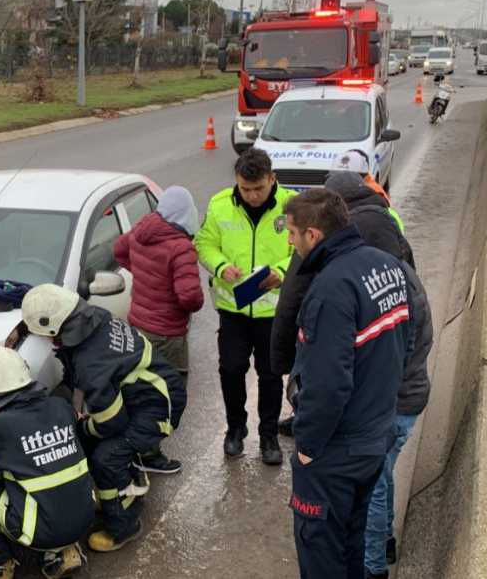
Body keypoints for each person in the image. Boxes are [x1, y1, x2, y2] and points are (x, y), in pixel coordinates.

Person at [284, 189, 414, 579]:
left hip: (336, 451)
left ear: (313, 235)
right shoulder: (387, 266)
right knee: (352, 545)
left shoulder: (330, 289)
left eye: (292, 233)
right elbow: (404, 346)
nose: (289, 242)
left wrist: (306, 446)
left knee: (321, 552)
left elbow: (328, 384)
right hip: (376, 434)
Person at [20, 284, 187, 552]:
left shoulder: (91, 361)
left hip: (158, 406)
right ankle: (121, 484)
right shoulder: (93, 319)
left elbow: (112, 422)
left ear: (55, 328)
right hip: (148, 394)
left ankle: (124, 525)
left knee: (107, 458)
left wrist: (83, 426)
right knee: (98, 442)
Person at [272, 169, 414, 436]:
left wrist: (282, 362)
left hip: (351, 420)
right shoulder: (390, 223)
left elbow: (293, 296)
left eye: (292, 233)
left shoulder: (330, 279)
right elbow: (412, 303)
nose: (290, 240)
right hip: (392, 389)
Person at [0, 347, 93, 579]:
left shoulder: (0, 428)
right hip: (83, 517)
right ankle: (61, 554)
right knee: (48, 477)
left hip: (41, 530)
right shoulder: (61, 406)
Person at [194, 148, 297, 465]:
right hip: (233, 311)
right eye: (245, 188)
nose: (252, 196)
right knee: (231, 369)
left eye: (259, 189)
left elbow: (303, 247)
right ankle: (235, 429)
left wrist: (280, 272)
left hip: (273, 313)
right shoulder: (220, 204)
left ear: (272, 179)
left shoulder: (291, 205)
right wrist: (221, 265)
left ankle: (268, 436)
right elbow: (204, 243)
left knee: (270, 375)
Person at [113, 186, 203, 474]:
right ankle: (148, 453)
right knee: (167, 394)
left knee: (141, 388)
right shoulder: (180, 247)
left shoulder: (141, 231)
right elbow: (190, 297)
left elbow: (118, 250)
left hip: (139, 325)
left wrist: (141, 271)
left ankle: (136, 444)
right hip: (168, 334)